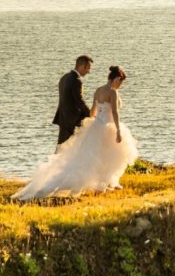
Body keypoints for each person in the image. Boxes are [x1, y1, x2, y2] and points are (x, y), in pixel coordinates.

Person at [13, 65, 139, 201]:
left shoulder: (98, 90)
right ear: (117, 79)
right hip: (109, 127)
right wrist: (118, 130)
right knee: (109, 157)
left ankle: (104, 184)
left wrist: (94, 123)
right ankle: (102, 184)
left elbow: (92, 111)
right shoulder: (113, 92)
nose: (120, 85)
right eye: (121, 82)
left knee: (95, 157)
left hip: (97, 126)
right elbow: (115, 112)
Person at [54, 55, 93, 150]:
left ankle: (54, 164)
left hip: (63, 118)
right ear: (82, 66)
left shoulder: (64, 78)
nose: (89, 71)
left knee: (61, 147)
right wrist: (91, 114)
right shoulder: (76, 81)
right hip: (73, 120)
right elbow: (79, 101)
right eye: (88, 68)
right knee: (72, 149)